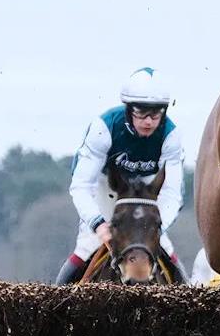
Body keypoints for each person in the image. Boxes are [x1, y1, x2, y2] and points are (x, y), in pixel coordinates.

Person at [53, 68, 185, 284]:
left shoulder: (171, 135)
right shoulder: (104, 128)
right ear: (128, 109)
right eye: (141, 113)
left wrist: (158, 226)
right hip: (107, 188)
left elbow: (172, 192)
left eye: (156, 113)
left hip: (147, 191)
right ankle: (53, 309)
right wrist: (99, 225)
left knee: (168, 252)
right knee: (86, 246)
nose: (149, 122)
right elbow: (81, 186)